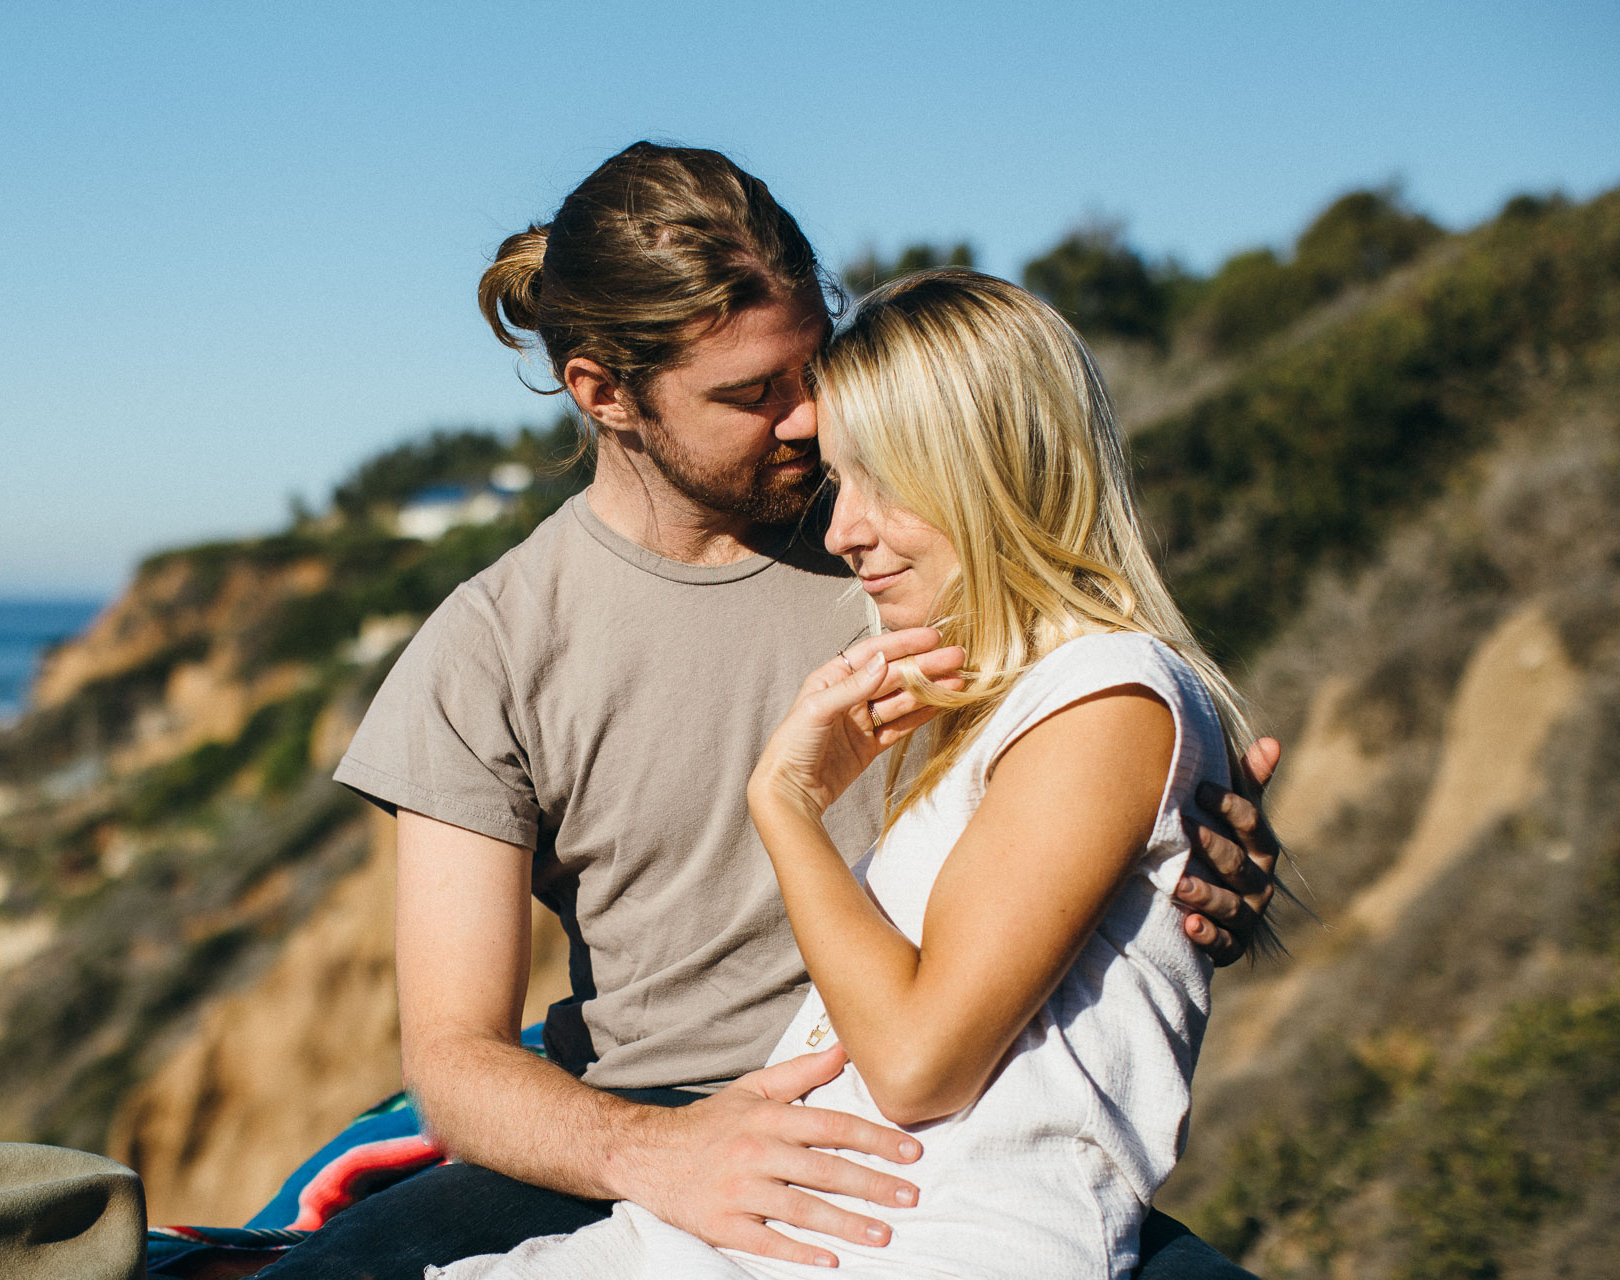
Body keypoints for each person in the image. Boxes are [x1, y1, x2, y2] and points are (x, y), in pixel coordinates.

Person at [262, 143, 1279, 1280]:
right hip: (653, 1113)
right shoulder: (489, 647)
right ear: (604, 391)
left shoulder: (909, 540)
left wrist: (1193, 850)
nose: (806, 420)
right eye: (752, 393)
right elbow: (454, 1059)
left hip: (955, 1110)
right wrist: (660, 1150)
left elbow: (1095, 718)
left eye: (813, 366)